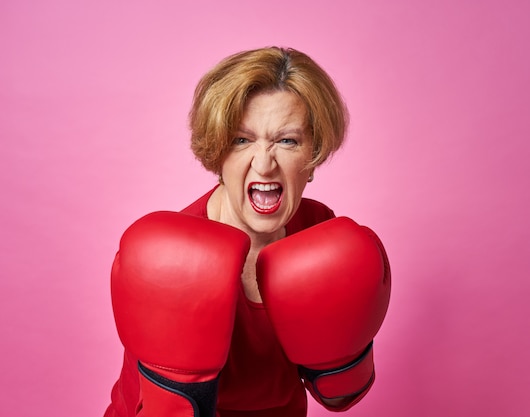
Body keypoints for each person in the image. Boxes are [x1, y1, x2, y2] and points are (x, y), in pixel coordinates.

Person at [104, 46, 391, 417]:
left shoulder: (319, 229)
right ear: (218, 153)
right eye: (242, 140)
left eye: (287, 140)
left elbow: (338, 393)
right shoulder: (171, 258)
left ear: (313, 154)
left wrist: (345, 359)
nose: (264, 162)